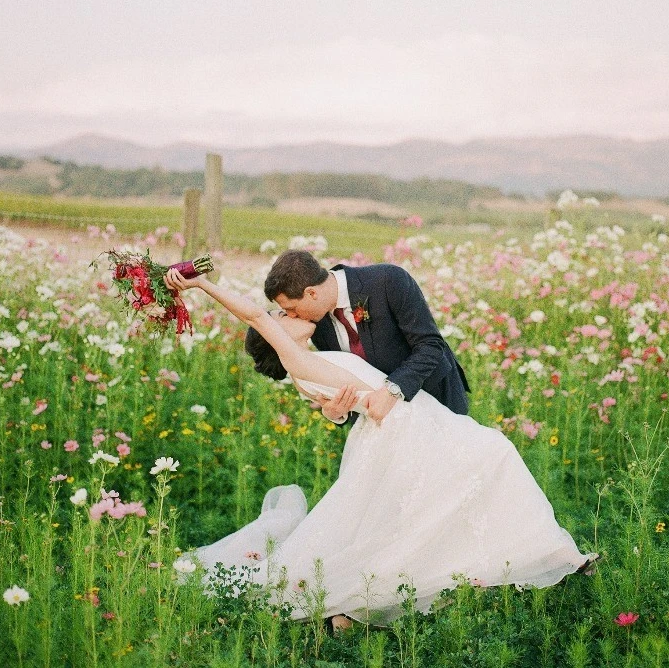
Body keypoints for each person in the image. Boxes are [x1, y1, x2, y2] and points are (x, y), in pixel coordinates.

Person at [164, 267, 598, 626]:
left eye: (287, 306)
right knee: (486, 462)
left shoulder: (309, 353)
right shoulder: (296, 358)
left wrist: (335, 409)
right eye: (280, 315)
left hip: (409, 418)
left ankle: (548, 555)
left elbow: (352, 389)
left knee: (443, 496)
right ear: (276, 336)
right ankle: (548, 556)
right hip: (400, 430)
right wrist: (202, 285)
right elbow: (255, 317)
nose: (282, 313)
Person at [261, 250, 469, 427]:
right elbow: (351, 380)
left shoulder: (388, 280)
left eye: (291, 309)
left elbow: (431, 346)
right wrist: (336, 413)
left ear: (311, 293)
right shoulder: (315, 324)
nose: (292, 316)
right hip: (388, 425)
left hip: (438, 400)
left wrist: (392, 391)